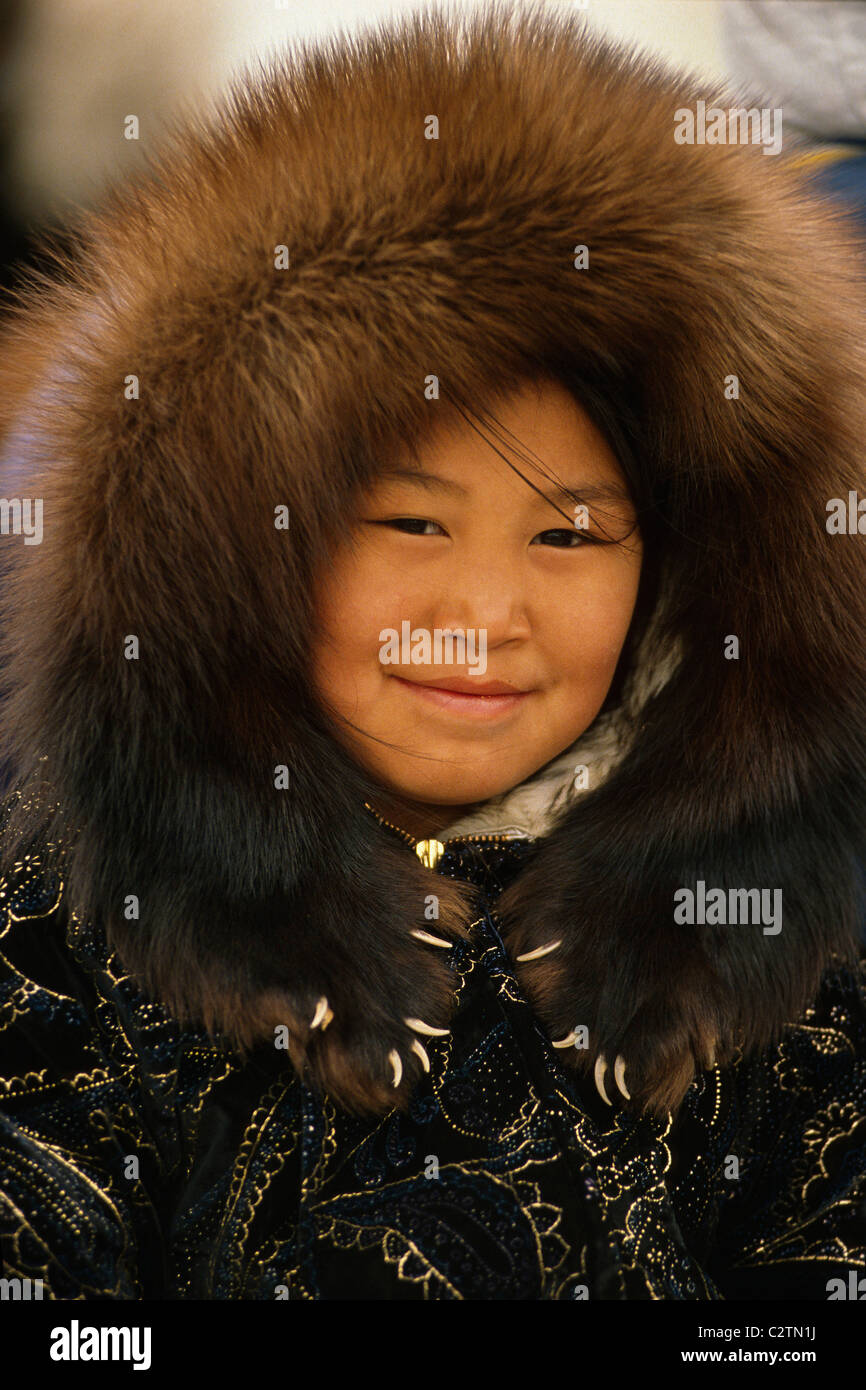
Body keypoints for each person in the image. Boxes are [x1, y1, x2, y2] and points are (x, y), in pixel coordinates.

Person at [0, 4, 864, 1301]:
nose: (483, 608)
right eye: (408, 520)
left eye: (569, 540)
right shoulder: (77, 910)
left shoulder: (772, 952)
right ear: (243, 544)